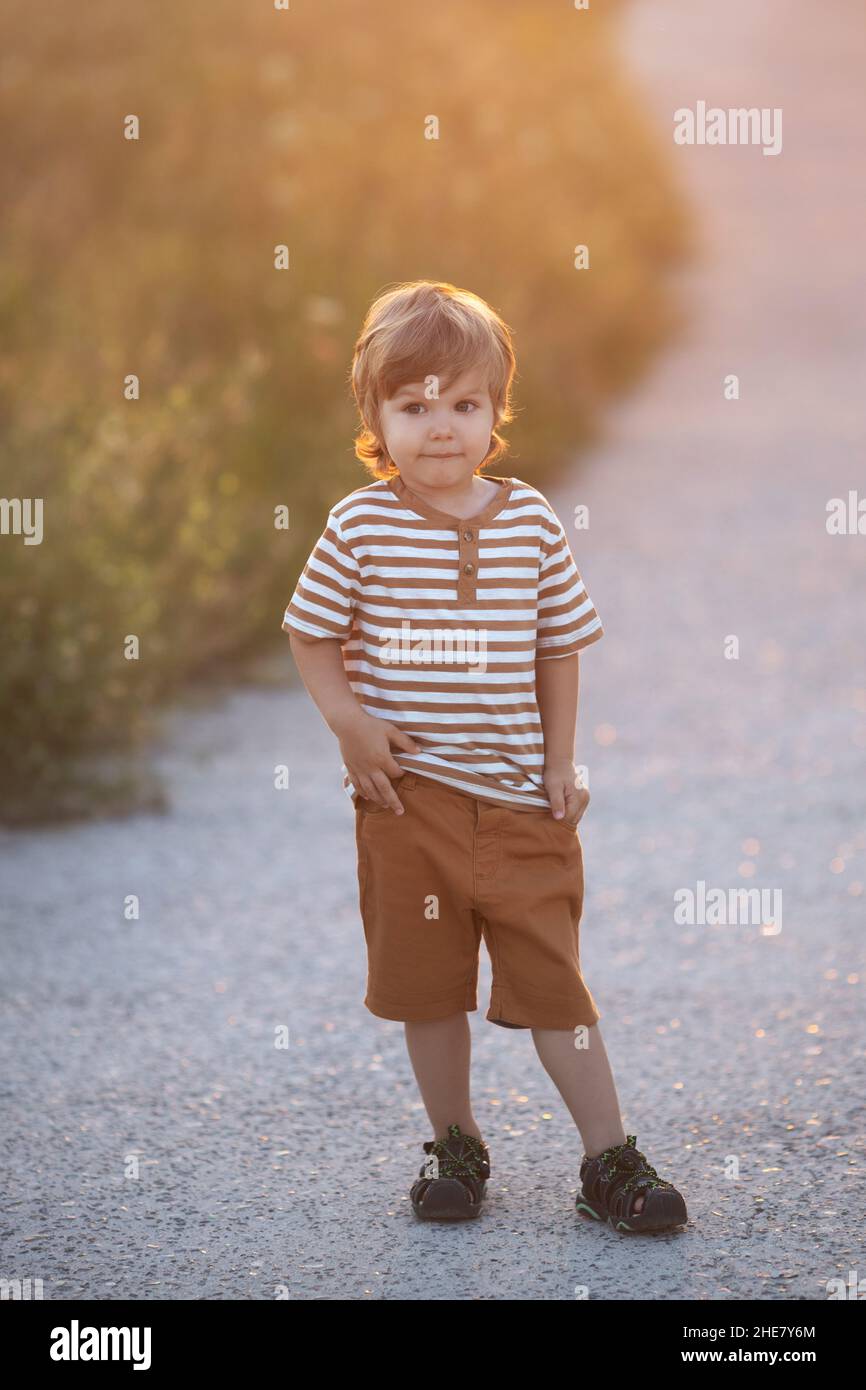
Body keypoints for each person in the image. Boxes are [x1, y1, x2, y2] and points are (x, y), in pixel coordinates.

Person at [283, 279, 687, 1233]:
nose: (440, 428)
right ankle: (455, 1143)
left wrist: (561, 760)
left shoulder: (531, 521)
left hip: (518, 804)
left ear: (496, 411)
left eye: (463, 405)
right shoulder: (360, 526)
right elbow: (309, 636)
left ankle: (608, 1159)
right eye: (414, 406)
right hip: (406, 802)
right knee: (429, 987)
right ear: (375, 415)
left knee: (557, 988)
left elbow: (556, 644)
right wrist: (350, 722)